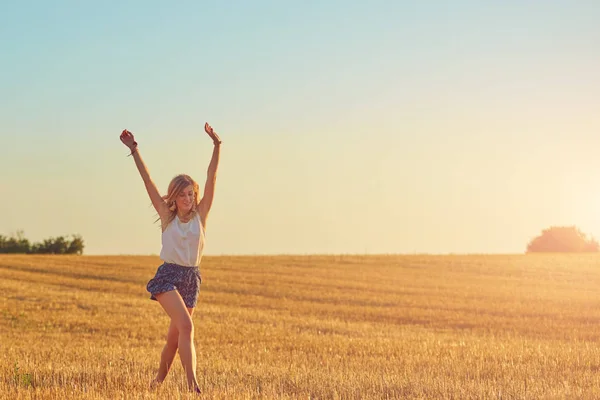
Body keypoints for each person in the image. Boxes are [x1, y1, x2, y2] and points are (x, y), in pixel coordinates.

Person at [119, 122, 222, 394]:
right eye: (183, 194)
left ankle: (156, 384)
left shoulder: (201, 216)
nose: (189, 198)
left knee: (175, 340)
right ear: (174, 198)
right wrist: (134, 149)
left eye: (191, 193)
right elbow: (148, 182)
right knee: (187, 326)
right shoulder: (168, 218)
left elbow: (212, 177)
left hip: (191, 278)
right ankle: (193, 386)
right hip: (169, 276)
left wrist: (217, 145)